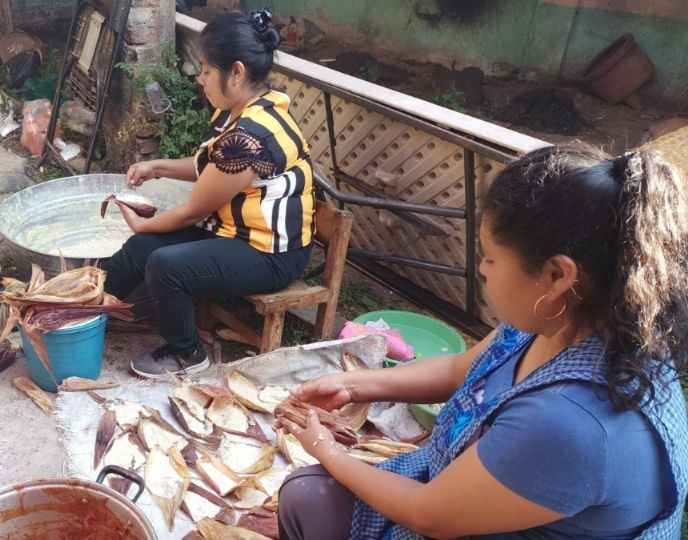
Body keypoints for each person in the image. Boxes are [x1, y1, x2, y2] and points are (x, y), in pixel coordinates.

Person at [276, 144, 688, 539]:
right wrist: (353, 386)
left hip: (441, 512)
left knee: (310, 492)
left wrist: (328, 451)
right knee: (308, 494)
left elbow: (429, 514)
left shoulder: (573, 422)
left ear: (558, 276)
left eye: (489, 257)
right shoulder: (557, 318)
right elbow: (462, 368)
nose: (483, 271)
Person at [102, 9, 315, 379]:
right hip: (235, 231)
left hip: (271, 253)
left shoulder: (250, 137)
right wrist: (158, 166)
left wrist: (140, 224)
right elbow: (211, 165)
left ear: (236, 71)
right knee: (142, 250)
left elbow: (191, 211)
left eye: (205, 69)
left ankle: (188, 353)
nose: (201, 79)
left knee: (165, 265)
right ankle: (85, 309)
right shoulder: (245, 108)